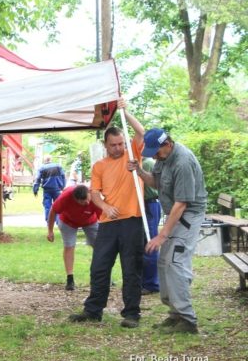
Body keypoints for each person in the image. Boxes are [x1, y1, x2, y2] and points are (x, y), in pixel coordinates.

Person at [69, 98, 145, 329]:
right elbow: (94, 194)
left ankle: (131, 313)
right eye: (114, 145)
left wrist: (126, 111)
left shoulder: (132, 155)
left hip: (132, 220)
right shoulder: (99, 166)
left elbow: (141, 132)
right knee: (99, 267)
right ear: (106, 145)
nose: (118, 148)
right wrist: (104, 207)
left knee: (131, 269)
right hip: (108, 224)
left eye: (121, 143)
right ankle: (93, 310)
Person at [129, 128, 207, 334]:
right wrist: (139, 171)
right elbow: (156, 183)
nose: (154, 155)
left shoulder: (183, 162)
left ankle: (188, 320)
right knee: (164, 262)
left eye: (156, 151)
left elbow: (181, 203)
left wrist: (162, 235)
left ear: (167, 144)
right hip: (175, 214)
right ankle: (175, 315)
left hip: (188, 216)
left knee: (175, 263)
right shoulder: (162, 158)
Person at [47, 185, 102, 290]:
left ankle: (102, 275)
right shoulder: (65, 197)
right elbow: (53, 211)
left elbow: (103, 218)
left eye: (87, 199)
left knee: (99, 247)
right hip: (68, 221)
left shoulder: (95, 198)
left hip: (90, 221)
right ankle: (70, 279)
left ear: (89, 193)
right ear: (75, 199)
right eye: (82, 202)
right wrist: (50, 231)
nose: (86, 203)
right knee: (69, 246)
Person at [141, 157, 160, 295]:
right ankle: (146, 281)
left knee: (150, 243)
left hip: (149, 205)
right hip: (146, 205)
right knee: (145, 243)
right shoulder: (145, 162)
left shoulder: (147, 163)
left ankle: (151, 283)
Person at [33, 155, 66, 222]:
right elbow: (63, 177)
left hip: (47, 190)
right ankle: (58, 221)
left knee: (47, 206)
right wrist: (63, 187)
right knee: (58, 205)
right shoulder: (58, 166)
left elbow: (37, 179)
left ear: (44, 160)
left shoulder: (41, 168)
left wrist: (35, 190)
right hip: (57, 189)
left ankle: (49, 220)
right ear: (51, 159)